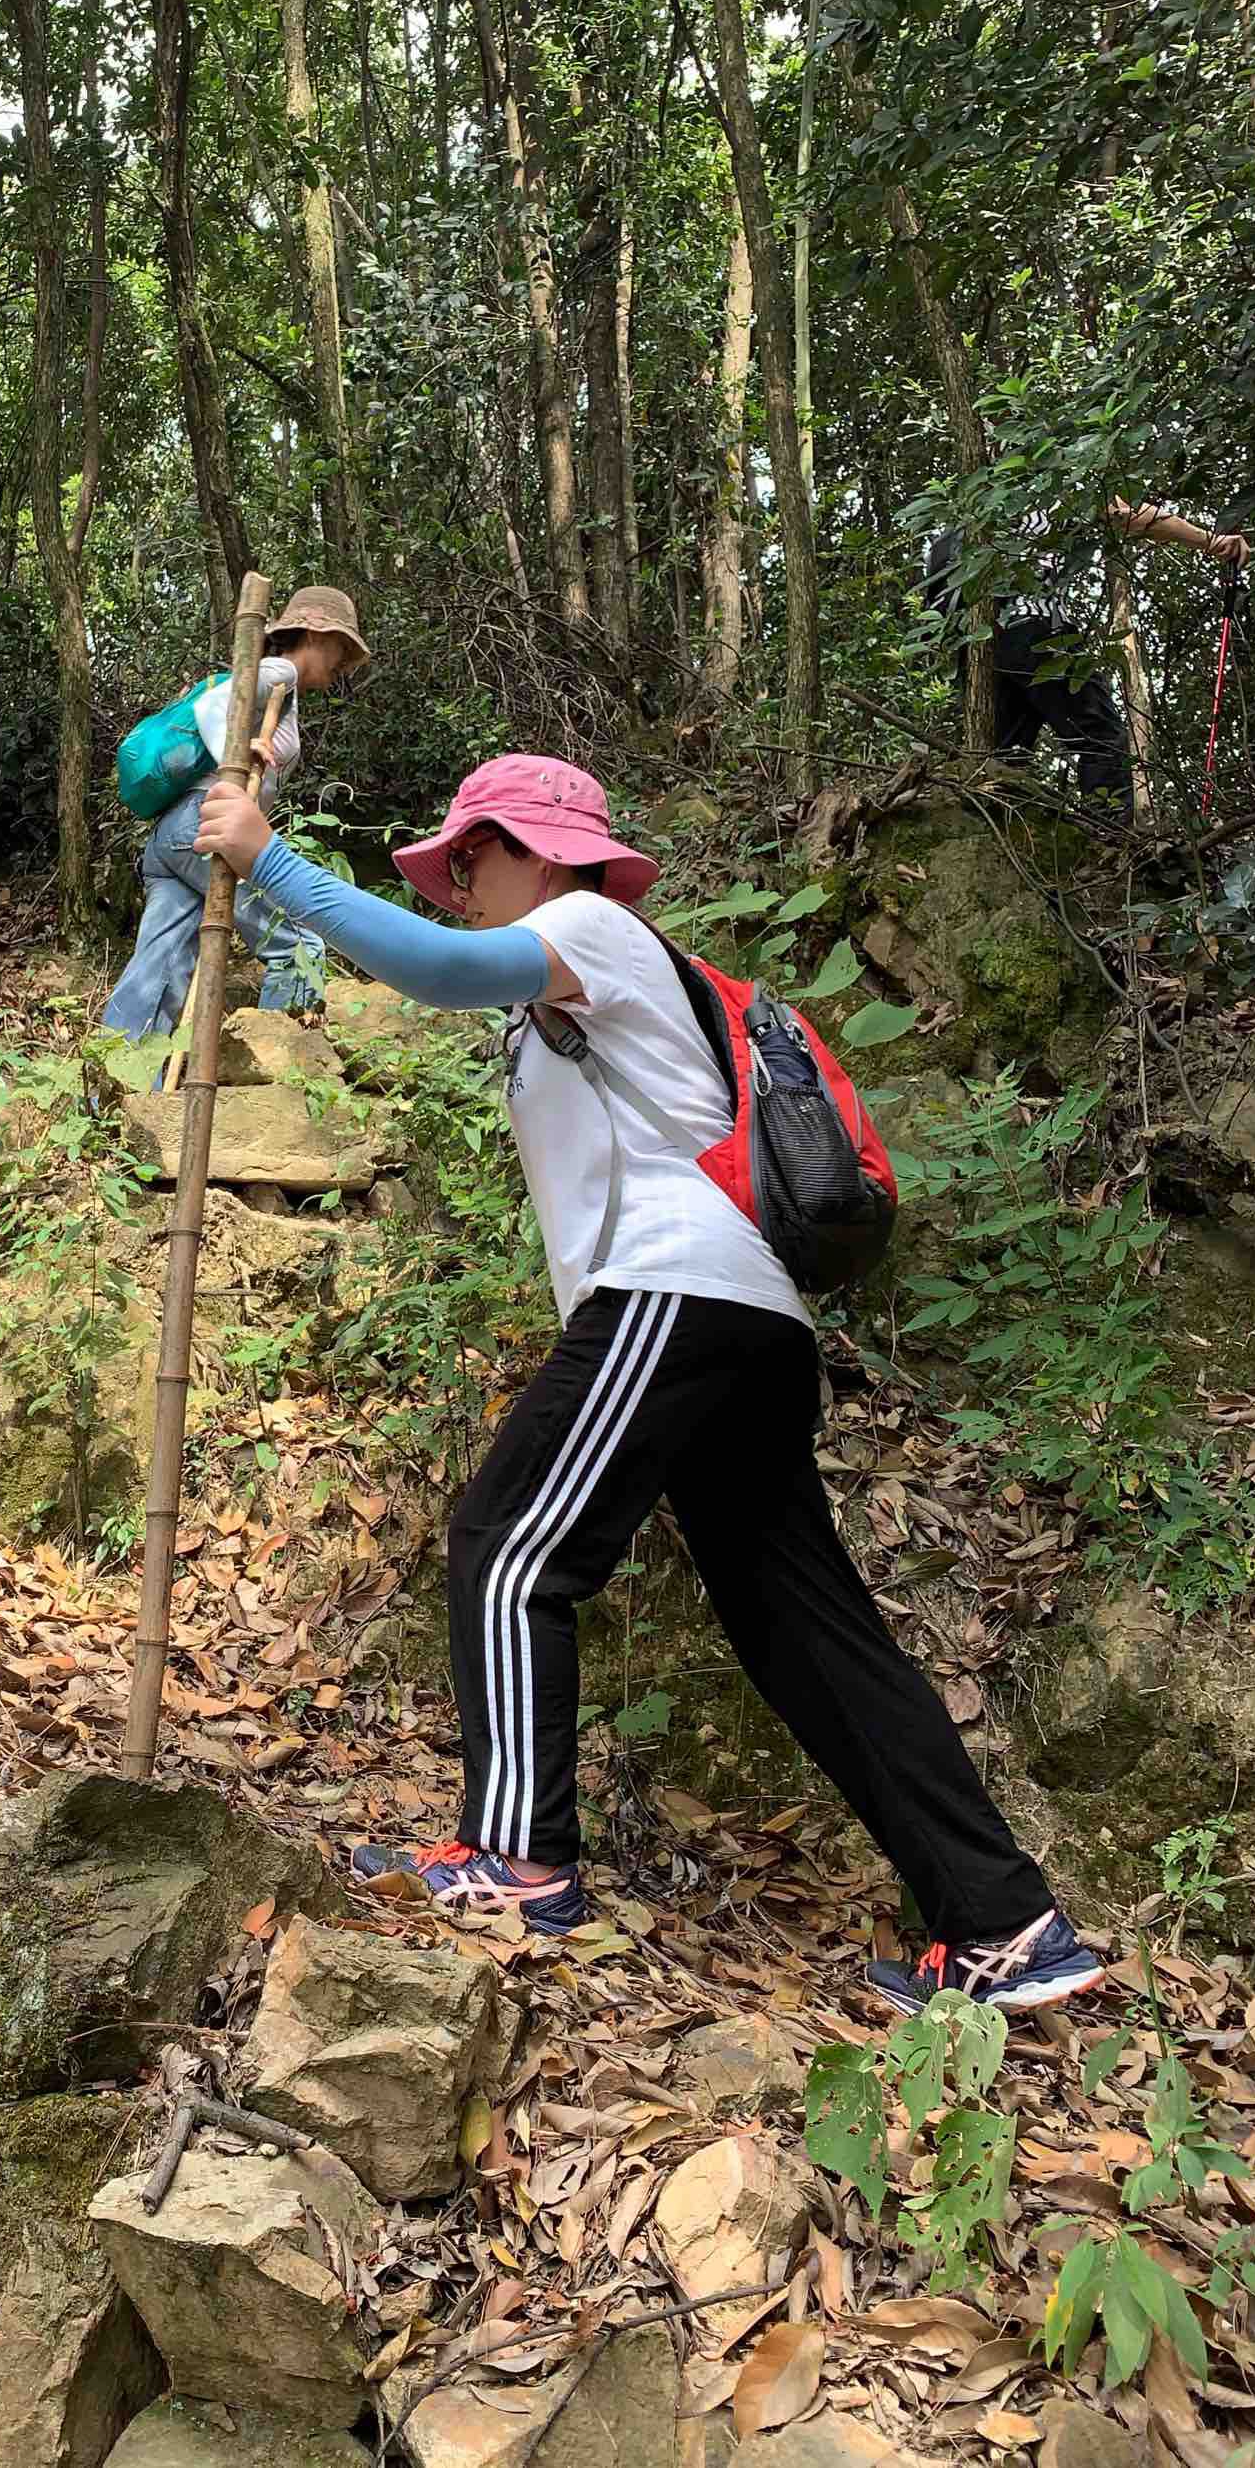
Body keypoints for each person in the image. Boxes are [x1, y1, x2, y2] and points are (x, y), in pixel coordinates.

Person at [193, 750, 1104, 2014]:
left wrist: (266, 856)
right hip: (741, 1321)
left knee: (507, 1546)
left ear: (533, 845)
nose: (455, 883)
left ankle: (517, 1857)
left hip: (676, 1291)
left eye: (469, 856)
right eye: (446, 866)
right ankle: (1007, 1922)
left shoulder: (588, 924)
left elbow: (434, 968)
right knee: (804, 1630)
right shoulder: (578, 972)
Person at [103, 586, 371, 1039]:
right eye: (342, 646)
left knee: (162, 963)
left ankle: (114, 1089)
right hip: (206, 824)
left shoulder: (281, 684)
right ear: (314, 635)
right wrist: (236, 752)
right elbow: (213, 708)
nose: (343, 662)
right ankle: (279, 1067)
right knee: (297, 939)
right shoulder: (277, 671)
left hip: (175, 835)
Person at [930, 499, 1251, 811]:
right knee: (1101, 736)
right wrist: (1210, 541)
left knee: (1003, 758)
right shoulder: (1062, 478)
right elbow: (1133, 516)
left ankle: (1001, 842)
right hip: (1034, 625)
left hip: (978, 643)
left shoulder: (986, 497)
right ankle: (1112, 841)